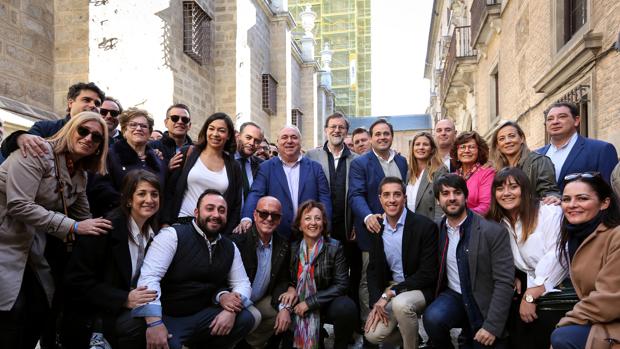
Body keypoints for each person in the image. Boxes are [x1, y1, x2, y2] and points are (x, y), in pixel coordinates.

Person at [0, 112, 113, 348]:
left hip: (29, 246)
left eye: (96, 137)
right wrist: (73, 227)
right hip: (5, 240)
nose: (89, 138)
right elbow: (19, 204)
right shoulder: (37, 151)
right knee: (11, 311)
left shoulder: (79, 173)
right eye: (83, 131)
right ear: (70, 129)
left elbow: (85, 217)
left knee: (40, 307)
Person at [131, 189, 254, 349]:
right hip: (170, 316)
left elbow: (243, 283)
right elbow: (149, 278)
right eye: (209, 208)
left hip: (203, 314)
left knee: (245, 318)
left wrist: (231, 310)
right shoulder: (172, 235)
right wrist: (154, 323)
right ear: (196, 212)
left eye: (221, 211)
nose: (216, 214)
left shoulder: (230, 247)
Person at [63, 170, 161, 348]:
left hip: (127, 308)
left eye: (154, 194)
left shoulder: (154, 233)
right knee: (145, 326)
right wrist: (124, 298)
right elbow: (76, 281)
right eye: (142, 193)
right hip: (97, 316)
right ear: (129, 200)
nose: (149, 200)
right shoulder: (105, 230)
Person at [424, 174, 514, 349]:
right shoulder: (437, 229)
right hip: (455, 295)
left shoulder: (492, 231)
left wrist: (492, 327)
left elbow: (504, 282)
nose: (451, 198)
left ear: (466, 197)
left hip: (483, 300)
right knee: (432, 318)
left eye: (457, 192)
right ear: (437, 200)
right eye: (445, 193)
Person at [486, 167, 566, 349]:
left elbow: (558, 255)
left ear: (525, 190)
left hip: (555, 286)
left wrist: (531, 295)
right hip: (526, 282)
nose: (506, 193)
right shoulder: (498, 222)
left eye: (513, 187)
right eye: (500, 188)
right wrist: (512, 272)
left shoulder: (548, 212)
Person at [364, 177, 438, 349]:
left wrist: (390, 294)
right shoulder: (377, 228)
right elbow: (373, 269)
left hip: (419, 287)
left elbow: (428, 273)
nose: (391, 200)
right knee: (372, 335)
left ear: (404, 198)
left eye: (397, 194)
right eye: (386, 195)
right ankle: (412, 339)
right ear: (380, 199)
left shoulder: (424, 226)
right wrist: (377, 301)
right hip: (390, 287)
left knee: (401, 304)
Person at [550, 173, 620, 349]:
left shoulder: (615, 236)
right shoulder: (576, 235)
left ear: (605, 203)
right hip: (600, 318)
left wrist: (567, 321)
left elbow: (609, 299)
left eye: (582, 198)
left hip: (612, 321)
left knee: (562, 337)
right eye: (566, 199)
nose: (572, 205)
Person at [349, 118, 408, 327]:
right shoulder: (360, 163)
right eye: (378, 134)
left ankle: (401, 323)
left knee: (399, 274)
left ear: (392, 136)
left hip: (400, 230)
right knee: (369, 279)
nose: (382, 137)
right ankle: (370, 324)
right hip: (372, 230)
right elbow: (355, 194)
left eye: (386, 133)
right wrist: (367, 217)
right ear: (371, 138)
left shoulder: (401, 161)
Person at [305, 113, 362, 321]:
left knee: (352, 274)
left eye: (341, 127)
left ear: (346, 131)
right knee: (320, 275)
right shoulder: (311, 156)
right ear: (325, 130)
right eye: (333, 127)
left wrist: (357, 222)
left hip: (349, 228)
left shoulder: (357, 160)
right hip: (319, 227)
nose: (336, 130)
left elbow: (359, 193)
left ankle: (352, 321)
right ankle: (317, 323)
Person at [237, 125, 332, 240]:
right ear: (277, 143)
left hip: (309, 236)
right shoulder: (266, 168)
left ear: (300, 142)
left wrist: (326, 226)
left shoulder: (315, 168)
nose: (289, 141)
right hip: (277, 235)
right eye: (284, 137)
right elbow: (256, 193)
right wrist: (246, 218)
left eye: (294, 137)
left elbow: (324, 199)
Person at [285, 200, 357, 349]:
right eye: (307, 218)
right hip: (298, 302)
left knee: (347, 308)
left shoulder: (334, 247)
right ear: (300, 225)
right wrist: (291, 288)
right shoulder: (292, 248)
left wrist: (310, 303)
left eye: (317, 218)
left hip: (325, 302)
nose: (313, 223)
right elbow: (286, 278)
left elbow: (342, 284)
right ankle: (317, 335)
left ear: (323, 223)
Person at [161, 112, 242, 235]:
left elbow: (236, 204)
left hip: (213, 229)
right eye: (211, 129)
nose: (215, 134)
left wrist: (226, 235)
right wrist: (165, 222)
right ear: (205, 131)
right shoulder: (187, 153)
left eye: (221, 130)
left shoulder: (233, 166)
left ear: (229, 135)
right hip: (182, 222)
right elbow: (170, 190)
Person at [231, 197, 292, 348]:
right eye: (264, 214)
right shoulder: (238, 241)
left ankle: (248, 344)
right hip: (235, 301)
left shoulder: (282, 244)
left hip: (259, 300)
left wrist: (284, 308)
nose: (269, 219)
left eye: (275, 215)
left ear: (279, 220)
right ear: (255, 215)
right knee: (252, 317)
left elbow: (283, 279)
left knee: (279, 313)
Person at [88, 108, 166, 217]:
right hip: (117, 219)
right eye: (133, 125)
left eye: (143, 126)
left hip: (151, 222)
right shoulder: (109, 155)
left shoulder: (159, 161)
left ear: (149, 133)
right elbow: (101, 187)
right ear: (124, 131)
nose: (138, 128)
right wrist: (131, 205)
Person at [1, 82, 105, 160]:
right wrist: (19, 137)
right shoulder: (45, 128)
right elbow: (11, 153)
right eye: (86, 100)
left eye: (97, 103)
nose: (93, 106)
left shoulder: (101, 138)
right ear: (70, 103)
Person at [537, 101, 618, 190]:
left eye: (562, 117)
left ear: (576, 121)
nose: (555, 122)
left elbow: (610, 191)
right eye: (550, 119)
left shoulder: (601, 150)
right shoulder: (536, 155)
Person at [490, 121, 560, 204]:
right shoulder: (496, 170)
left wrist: (552, 197)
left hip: (533, 214)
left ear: (522, 138)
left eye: (511, 136)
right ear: (497, 145)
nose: (507, 141)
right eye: (502, 139)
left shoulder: (539, 161)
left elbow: (549, 192)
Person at [406, 131, 448, 220]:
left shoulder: (440, 170)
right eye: (417, 144)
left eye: (425, 144)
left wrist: (437, 227)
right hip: (410, 225)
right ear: (412, 148)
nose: (421, 147)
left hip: (430, 225)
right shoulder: (409, 173)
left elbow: (442, 204)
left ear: (432, 149)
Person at [452, 131, 496, 215]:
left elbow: (486, 206)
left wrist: (461, 215)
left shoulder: (487, 173)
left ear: (479, 151)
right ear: (456, 152)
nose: (467, 150)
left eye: (471, 147)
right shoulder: (453, 176)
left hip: (479, 224)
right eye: (462, 147)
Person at [235, 122, 264, 200]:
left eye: (257, 141)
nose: (252, 143)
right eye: (248, 137)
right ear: (238, 136)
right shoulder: (223, 160)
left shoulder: (262, 166)